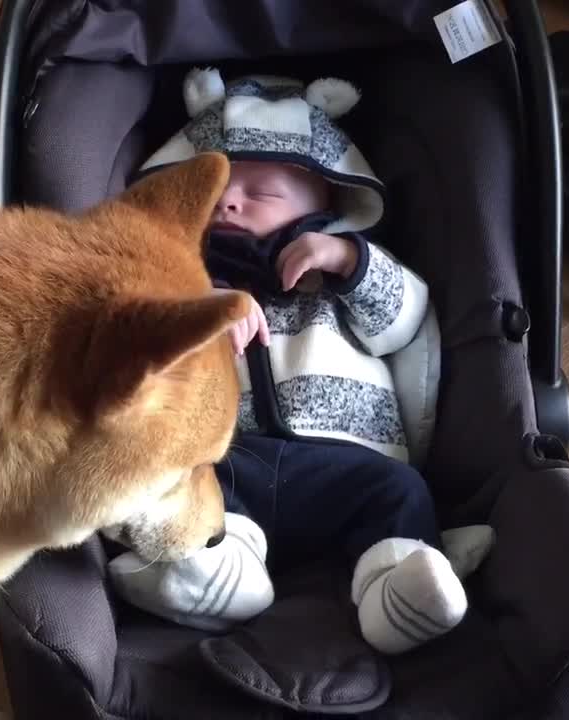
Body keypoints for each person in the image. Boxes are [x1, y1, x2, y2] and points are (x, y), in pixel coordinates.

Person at [107, 69, 494, 655]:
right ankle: (215, 574)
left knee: (401, 493)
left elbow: (405, 323)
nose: (230, 200)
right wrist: (202, 308)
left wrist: (348, 261)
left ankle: (396, 590)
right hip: (234, 457)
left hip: (341, 462)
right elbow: (138, 345)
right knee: (180, 489)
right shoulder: (184, 279)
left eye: (260, 193)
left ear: (332, 200)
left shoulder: (341, 273)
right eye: (215, 192)